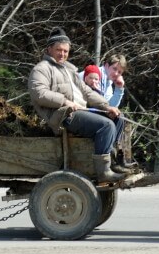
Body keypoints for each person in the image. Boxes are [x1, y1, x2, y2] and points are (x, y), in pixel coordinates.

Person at [28, 28, 126, 182]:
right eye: (58, 50)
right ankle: (103, 172)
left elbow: (87, 92)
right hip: (63, 115)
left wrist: (107, 106)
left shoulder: (69, 69)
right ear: (49, 49)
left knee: (118, 118)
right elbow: (39, 94)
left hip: (80, 111)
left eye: (65, 51)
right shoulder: (41, 69)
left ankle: (111, 162)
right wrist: (65, 102)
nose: (62, 54)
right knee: (106, 126)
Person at [80, 53, 136, 169]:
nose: (116, 74)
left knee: (120, 118)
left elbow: (110, 105)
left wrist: (119, 89)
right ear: (106, 65)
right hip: (81, 110)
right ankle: (109, 158)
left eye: (120, 72)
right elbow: (96, 101)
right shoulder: (95, 75)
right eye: (114, 69)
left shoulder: (109, 83)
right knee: (111, 122)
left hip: (93, 110)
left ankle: (115, 156)